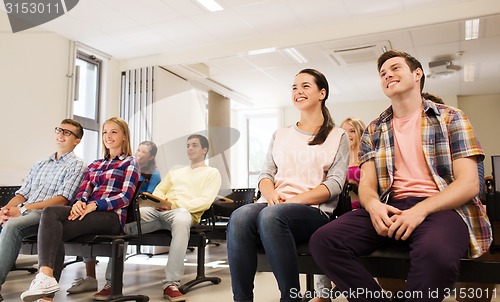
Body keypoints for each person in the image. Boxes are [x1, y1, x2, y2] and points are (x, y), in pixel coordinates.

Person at [309, 50, 492, 302]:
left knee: (436, 255)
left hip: (441, 208)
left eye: (395, 68)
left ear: (417, 74)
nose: (387, 75)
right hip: (390, 207)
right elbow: (367, 186)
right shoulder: (374, 128)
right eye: (383, 73)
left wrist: (421, 210)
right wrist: (373, 206)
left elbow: (469, 183)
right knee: (323, 241)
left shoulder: (451, 117)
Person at [227, 68, 349, 302]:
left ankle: (290, 297)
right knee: (241, 216)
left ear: (322, 93)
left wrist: (290, 201)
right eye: (294, 87)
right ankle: (241, 299)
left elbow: (334, 185)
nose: (298, 91)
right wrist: (271, 194)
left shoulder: (338, 135)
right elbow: (265, 174)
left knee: (271, 216)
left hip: (313, 211)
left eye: (305, 86)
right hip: (274, 204)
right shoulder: (281, 134)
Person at [20, 117, 140, 302]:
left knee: (55, 229)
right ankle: (46, 282)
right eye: (105, 132)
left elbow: (124, 197)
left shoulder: (130, 163)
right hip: (88, 212)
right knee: (51, 215)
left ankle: (46, 293)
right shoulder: (95, 164)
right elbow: (84, 190)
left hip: (110, 217)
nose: (108, 136)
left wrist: (94, 205)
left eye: (114, 132)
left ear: (124, 136)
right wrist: (79, 202)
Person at [91, 134, 221, 302]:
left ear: (205, 150)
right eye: (188, 145)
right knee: (128, 223)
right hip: (160, 211)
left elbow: (204, 201)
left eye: (194, 145)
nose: (189, 148)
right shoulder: (176, 171)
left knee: (181, 220)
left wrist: (173, 205)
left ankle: (171, 283)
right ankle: (112, 283)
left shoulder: (212, 173)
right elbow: (159, 191)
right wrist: (158, 203)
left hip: (183, 212)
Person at [0, 119, 86, 302]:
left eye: (67, 133)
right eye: (59, 130)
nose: (61, 134)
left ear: (77, 141)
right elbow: (22, 194)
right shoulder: (40, 164)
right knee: (6, 219)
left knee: (12, 226)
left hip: (46, 215)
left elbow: (62, 199)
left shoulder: (77, 165)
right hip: (26, 211)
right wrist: (7, 209)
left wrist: (22, 209)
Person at [66, 141, 162, 295]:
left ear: (151, 157)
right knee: (82, 217)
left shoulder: (149, 171)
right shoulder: (116, 165)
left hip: (133, 209)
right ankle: (91, 277)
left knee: (117, 232)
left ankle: (111, 283)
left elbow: (148, 195)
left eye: (144, 152)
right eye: (139, 150)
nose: (139, 153)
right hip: (113, 205)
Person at [312, 116, 366, 302]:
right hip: (337, 212)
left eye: (352, 130)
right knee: (319, 235)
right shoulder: (336, 159)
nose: (348, 134)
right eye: (344, 131)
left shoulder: (366, 158)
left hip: (360, 211)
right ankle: (323, 294)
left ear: (360, 133)